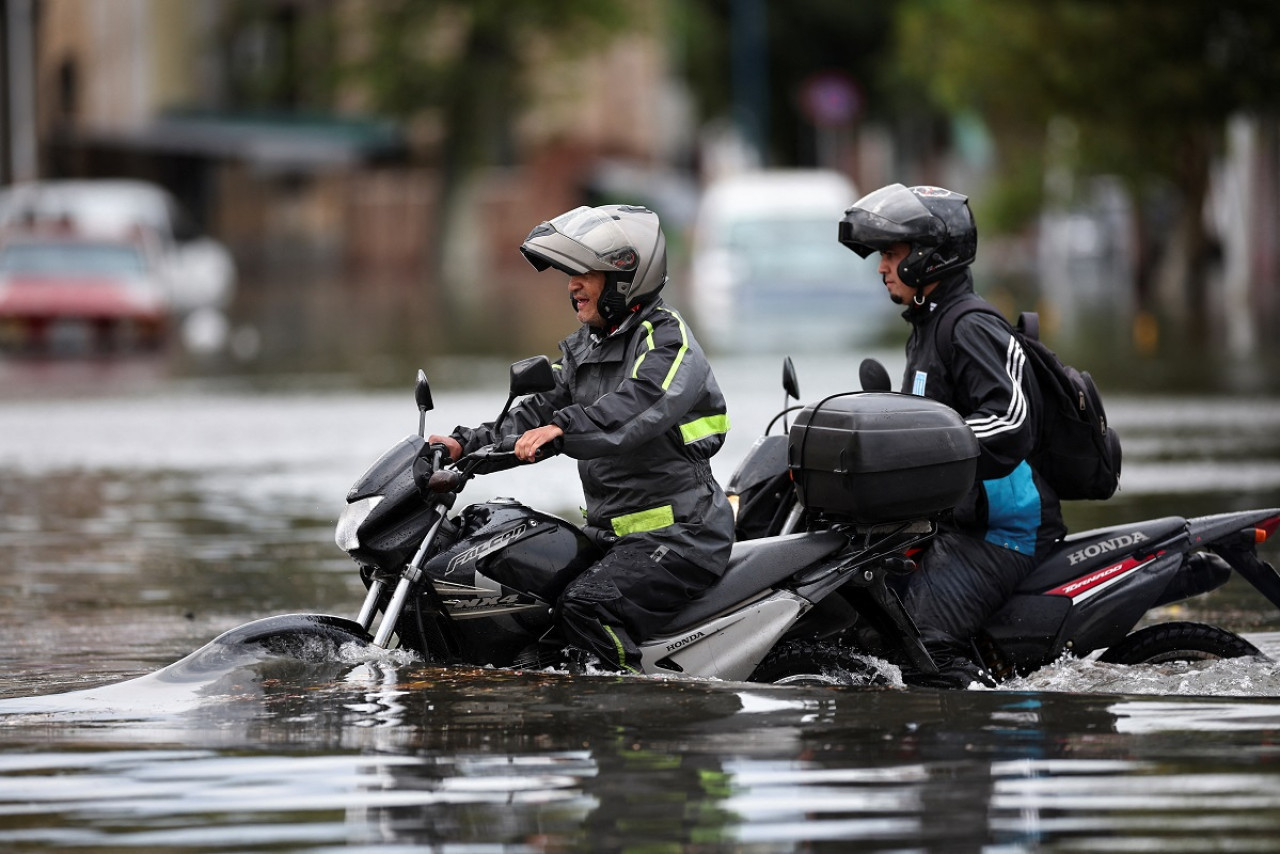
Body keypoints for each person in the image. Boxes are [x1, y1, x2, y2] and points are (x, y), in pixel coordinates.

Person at [429, 203, 734, 673]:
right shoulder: (584, 349)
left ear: (623, 277)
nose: (572, 285)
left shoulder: (667, 341)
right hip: (612, 535)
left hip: (681, 537)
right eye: (569, 273)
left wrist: (563, 429)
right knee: (529, 595)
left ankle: (628, 716)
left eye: (584, 272)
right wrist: (460, 445)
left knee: (588, 606)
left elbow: (641, 403)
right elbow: (534, 411)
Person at [838, 183, 1066, 688]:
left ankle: (968, 745)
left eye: (891, 255)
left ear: (929, 259)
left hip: (1002, 529)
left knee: (921, 640)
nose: (881, 267)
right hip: (954, 521)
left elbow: (1011, 420)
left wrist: (927, 447)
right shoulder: (928, 325)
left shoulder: (970, 326)